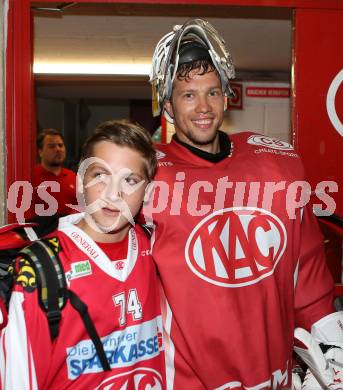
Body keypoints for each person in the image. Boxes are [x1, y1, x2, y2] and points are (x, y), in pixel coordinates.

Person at [145, 18, 342, 389]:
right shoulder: (145, 171)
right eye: (189, 95)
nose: (203, 107)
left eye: (213, 92)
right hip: (185, 377)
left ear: (226, 97)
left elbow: (307, 261)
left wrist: (327, 338)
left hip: (272, 371)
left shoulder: (275, 161)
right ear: (168, 105)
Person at [0, 120, 165, 389]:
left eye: (130, 180)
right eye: (100, 175)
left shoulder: (157, 248)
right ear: (79, 183)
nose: (113, 194)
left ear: (147, 192)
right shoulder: (41, 268)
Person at [28, 128, 77, 219]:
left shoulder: (73, 177)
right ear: (40, 152)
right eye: (52, 146)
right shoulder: (30, 176)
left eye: (60, 145)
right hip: (39, 232)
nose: (58, 149)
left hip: (68, 231)